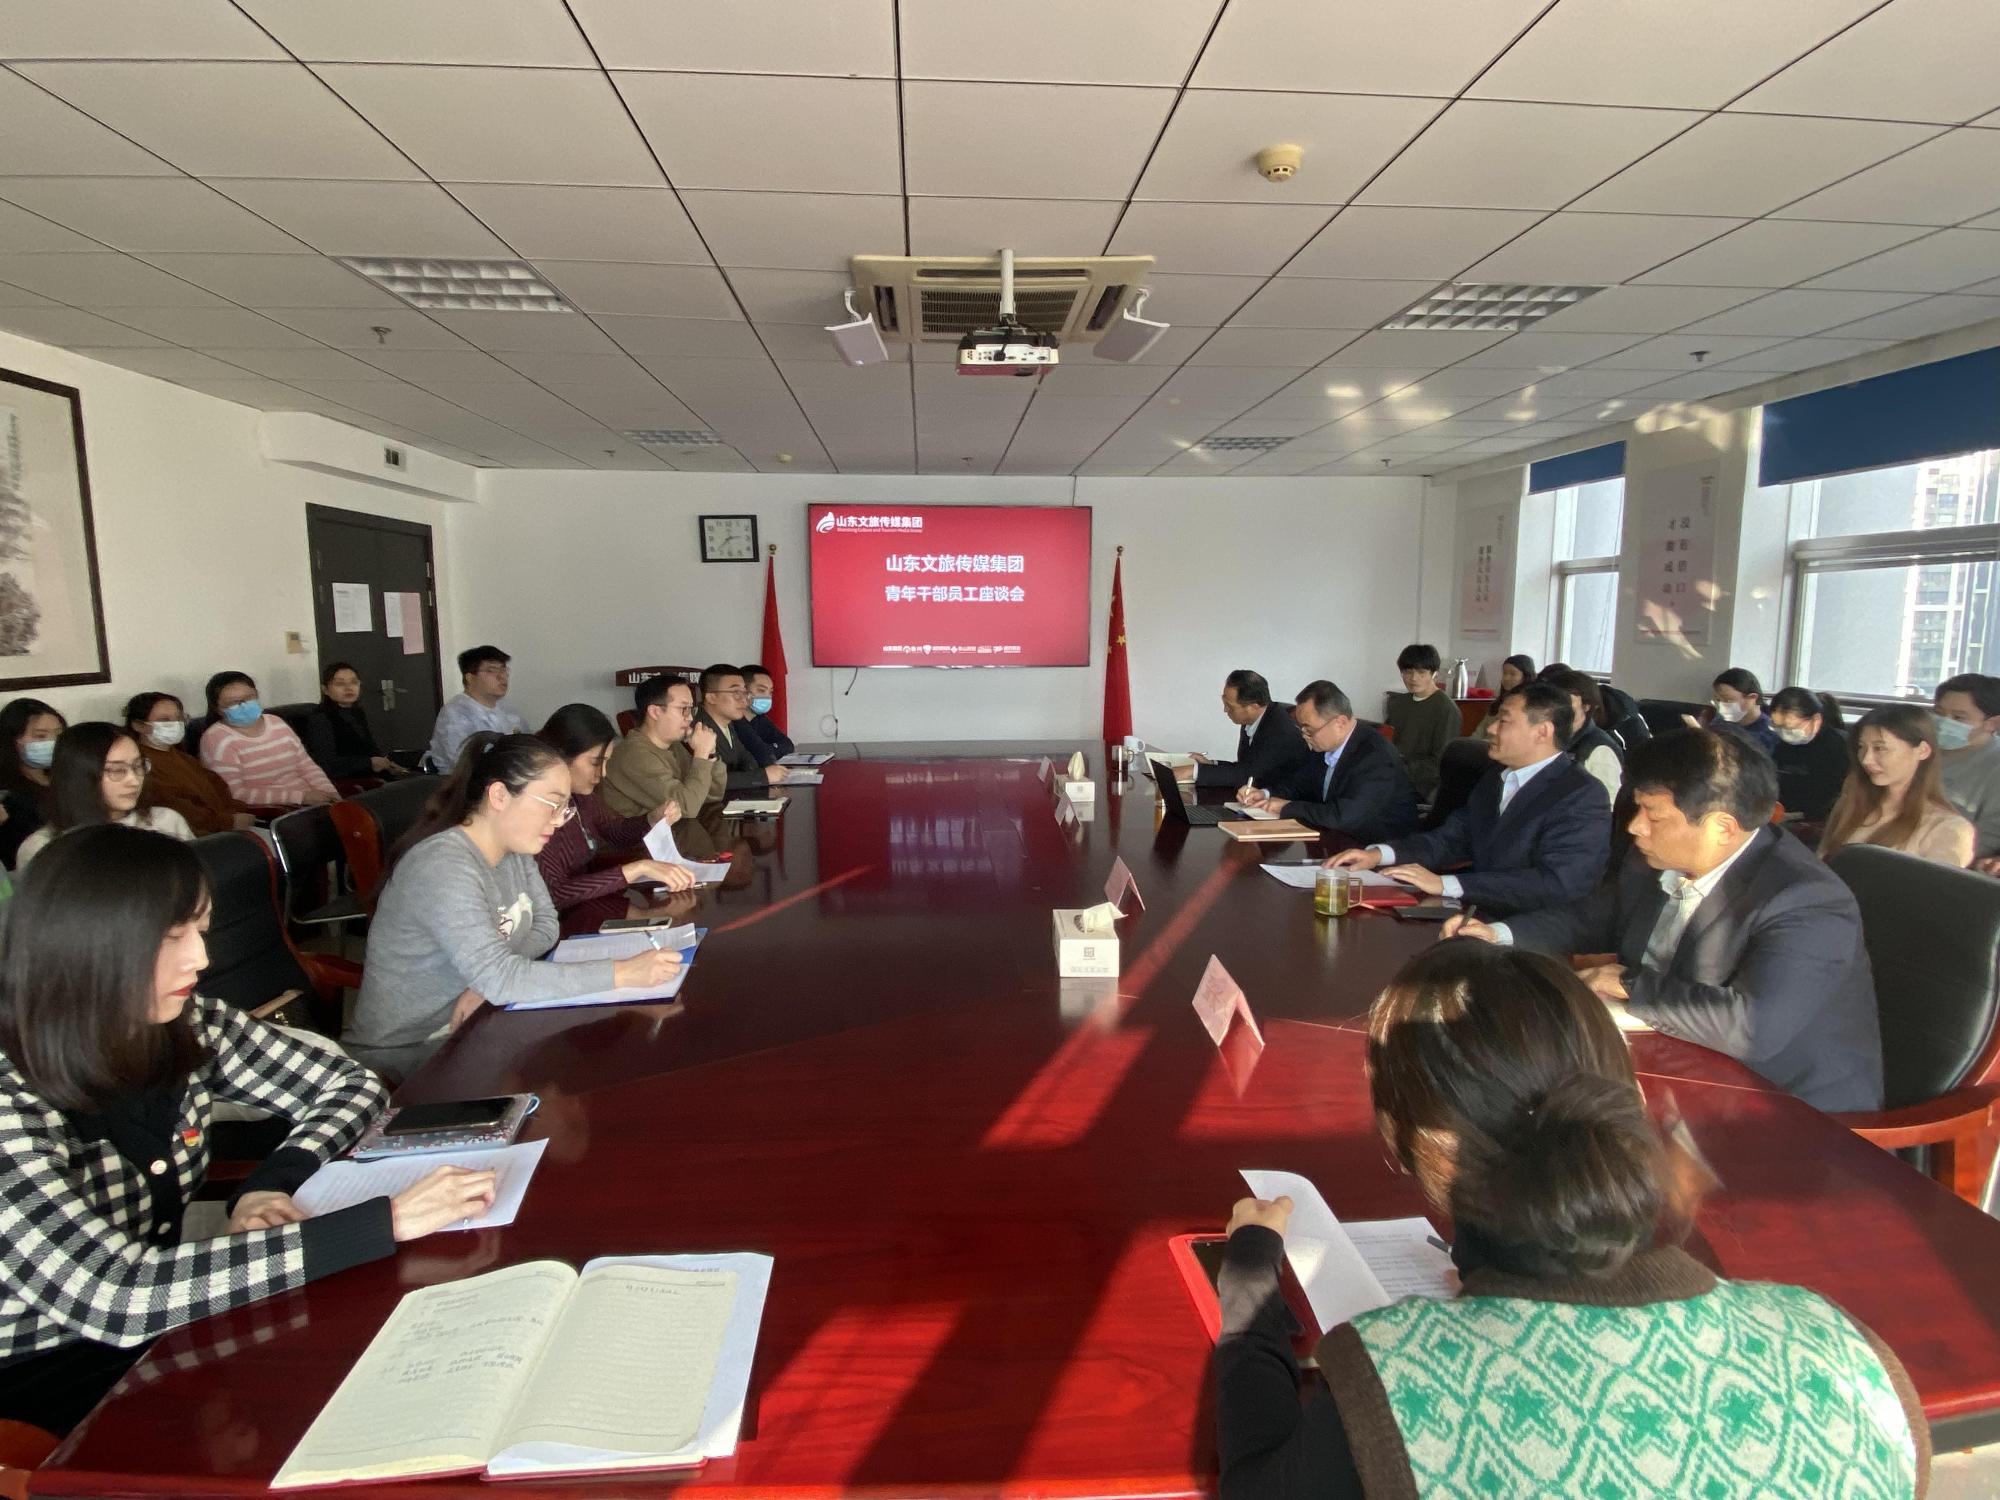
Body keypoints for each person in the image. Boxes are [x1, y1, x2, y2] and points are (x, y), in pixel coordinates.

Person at [1215, 940, 1927, 1499]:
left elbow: (1255, 1487)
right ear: (1625, 1095)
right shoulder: (1851, 1355)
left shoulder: (1397, 1378)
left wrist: (1249, 1281)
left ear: (1412, 1139)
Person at [0, 825, 499, 1437]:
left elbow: (351, 1086)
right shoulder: (10, 1099)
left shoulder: (180, 1023)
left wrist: (271, 1182)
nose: (201, 959)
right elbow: (115, 1295)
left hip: (167, 1323)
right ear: (86, 944)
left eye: (200, 930)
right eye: (171, 937)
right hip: (37, 1388)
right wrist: (381, 1222)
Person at [1451, 728, 1883, 1113]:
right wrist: (1499, 934)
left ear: (1722, 828)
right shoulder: (1655, 858)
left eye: (1653, 815)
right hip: (1673, 1060)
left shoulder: (1804, 900)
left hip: (1783, 1106)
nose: (1635, 827)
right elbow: (1593, 917)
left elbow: (1754, 1028)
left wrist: (1631, 984)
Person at [345, 732, 685, 1083]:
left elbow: (546, 927)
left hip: (484, 1022)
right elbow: (503, 976)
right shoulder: (444, 866)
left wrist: (489, 981)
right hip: (410, 1057)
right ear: (499, 795)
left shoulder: (515, 850)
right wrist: (623, 973)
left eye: (565, 808)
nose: (559, 820)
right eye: (552, 804)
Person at [1327, 682, 1610, 917]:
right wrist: (1380, 854)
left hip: (1531, 928)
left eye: (1504, 721)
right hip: (1475, 912)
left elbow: (1555, 883)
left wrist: (1448, 884)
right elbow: (1452, 838)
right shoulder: (1495, 777)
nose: (1491, 729)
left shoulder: (1580, 795)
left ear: (1542, 732)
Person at [534, 703, 696, 915]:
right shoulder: (537, 810)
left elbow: (617, 831)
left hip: (590, 910)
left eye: (606, 763)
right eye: (595, 763)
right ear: (561, 756)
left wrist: (651, 818)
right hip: (562, 922)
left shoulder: (582, 799)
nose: (602, 773)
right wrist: (636, 869)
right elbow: (555, 894)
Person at [1235, 681, 1417, 844]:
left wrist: (1287, 807)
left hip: (1378, 849)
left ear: (1340, 722)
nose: (1304, 736)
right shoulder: (1324, 745)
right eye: (1301, 728)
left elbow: (1343, 816)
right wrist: (1265, 794)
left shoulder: (1376, 757)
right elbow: (1299, 784)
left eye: (1309, 729)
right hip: (1334, 839)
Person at [14, 723, 194, 868]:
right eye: (117, 770)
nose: (134, 781)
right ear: (79, 776)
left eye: (138, 766)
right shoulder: (44, 847)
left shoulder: (166, 821)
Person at [1819, 704, 1974, 869]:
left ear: (1922, 751)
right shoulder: (1851, 804)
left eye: (1880, 748)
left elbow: (1936, 885)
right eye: (1861, 747)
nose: (1866, 760)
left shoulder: (1947, 828)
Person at [198, 672, 337, 808]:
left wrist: (331, 794)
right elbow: (234, 794)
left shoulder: (276, 722)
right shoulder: (216, 739)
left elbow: (306, 765)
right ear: (218, 708)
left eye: (249, 697)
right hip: (272, 811)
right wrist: (300, 797)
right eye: (234, 703)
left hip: (312, 802)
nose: (244, 705)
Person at [124, 692, 255, 835]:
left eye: (179, 718)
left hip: (224, 829)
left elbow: (218, 788)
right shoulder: (140, 765)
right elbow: (175, 808)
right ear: (139, 725)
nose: (175, 724)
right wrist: (227, 821)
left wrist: (238, 812)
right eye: (164, 720)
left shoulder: (184, 758)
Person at [602, 676, 725, 819]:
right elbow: (687, 808)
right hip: (639, 833)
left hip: (677, 829)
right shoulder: (633, 755)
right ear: (655, 712)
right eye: (684, 709)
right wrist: (701, 754)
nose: (690, 717)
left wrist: (709, 754)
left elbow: (711, 795)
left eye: (692, 709)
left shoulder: (673, 745)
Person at [1188, 670, 1315, 791]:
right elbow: (1246, 767)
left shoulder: (1279, 729)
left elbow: (1248, 775)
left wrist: (1193, 771)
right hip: (1259, 793)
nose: (1225, 710)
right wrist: (1211, 764)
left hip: (1284, 798)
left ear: (1253, 706)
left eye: (1230, 706)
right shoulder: (1252, 720)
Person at [1933, 672, 2000, 868]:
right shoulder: (1919, 749)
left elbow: (1989, 836)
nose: (1944, 723)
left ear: (1992, 724)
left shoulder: (1995, 766)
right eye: (1939, 714)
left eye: (1958, 718)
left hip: (1948, 864)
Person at [303, 661, 409, 783]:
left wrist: (387, 764)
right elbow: (327, 765)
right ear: (325, 689)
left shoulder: (356, 713)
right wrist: (369, 762)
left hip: (372, 776)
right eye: (340, 684)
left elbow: (370, 750)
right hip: (349, 782)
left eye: (354, 682)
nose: (348, 688)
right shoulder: (321, 718)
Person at [427, 645, 527, 770]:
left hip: (509, 775)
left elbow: (526, 745)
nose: (502, 676)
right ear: (470, 678)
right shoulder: (455, 713)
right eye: (492, 670)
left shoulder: (507, 708)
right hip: (467, 779)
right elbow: (465, 763)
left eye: (503, 669)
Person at [1382, 645, 1459, 800]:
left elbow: (1440, 761)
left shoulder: (1446, 709)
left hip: (1421, 785)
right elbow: (1386, 738)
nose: (1413, 678)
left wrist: (1399, 769)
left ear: (1434, 673)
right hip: (1391, 774)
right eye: (1407, 672)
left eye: (1421, 672)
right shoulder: (1399, 702)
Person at [695, 663, 786, 793]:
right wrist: (763, 776)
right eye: (736, 693)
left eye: (745, 693)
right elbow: (710, 782)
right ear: (711, 697)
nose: (744, 700)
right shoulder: (698, 729)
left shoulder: (729, 724)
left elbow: (746, 758)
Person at [1768, 685, 1848, 825]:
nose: (1784, 733)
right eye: (1778, 726)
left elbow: (1837, 794)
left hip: (1821, 820)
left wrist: (1801, 815)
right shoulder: (1783, 744)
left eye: (1790, 727)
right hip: (1783, 814)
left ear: (1816, 719)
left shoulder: (1838, 745)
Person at [0, 698, 64, 869]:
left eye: (58, 735)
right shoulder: (6, 795)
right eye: (40, 736)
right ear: (13, 740)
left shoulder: (68, 778)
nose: (53, 742)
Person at [1545, 667, 1623, 804]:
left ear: (1586, 706)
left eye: (1565, 700)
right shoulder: (1549, 737)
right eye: (1553, 700)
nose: (1557, 707)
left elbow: (1609, 803)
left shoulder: (1599, 749)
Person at [1684, 667, 1778, 755]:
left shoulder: (1769, 733)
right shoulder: (1719, 721)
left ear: (1752, 698)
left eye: (1728, 700)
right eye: (1718, 700)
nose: (1721, 707)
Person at [735, 664, 796, 767]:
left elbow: (788, 745)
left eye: (770, 692)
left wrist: (767, 749)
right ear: (743, 692)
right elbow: (763, 755)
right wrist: (768, 749)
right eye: (761, 690)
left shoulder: (759, 718)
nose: (767, 697)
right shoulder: (735, 721)